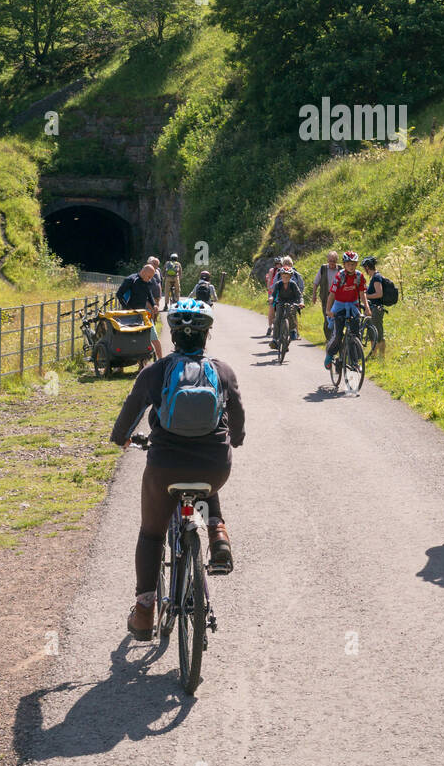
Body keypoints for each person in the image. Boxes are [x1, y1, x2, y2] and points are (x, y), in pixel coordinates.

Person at [110, 297, 245, 639]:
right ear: (206, 335)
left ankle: (144, 613)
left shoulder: (155, 372)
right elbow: (238, 423)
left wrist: (124, 438)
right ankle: (216, 532)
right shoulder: (223, 371)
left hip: (165, 467)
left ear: (173, 334)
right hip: (215, 466)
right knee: (205, 484)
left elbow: (126, 420)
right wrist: (235, 439)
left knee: (152, 534)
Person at [324, 250, 371, 369]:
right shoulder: (340, 276)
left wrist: (367, 308)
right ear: (344, 264)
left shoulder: (359, 276)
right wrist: (328, 310)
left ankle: (354, 362)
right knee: (338, 335)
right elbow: (332, 295)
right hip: (339, 305)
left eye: (354, 264)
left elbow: (362, 294)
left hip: (353, 305)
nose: (351, 266)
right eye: (349, 264)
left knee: (356, 334)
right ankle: (330, 354)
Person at [271, 263, 304, 347]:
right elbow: (273, 294)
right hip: (281, 301)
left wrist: (301, 302)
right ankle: (274, 340)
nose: (285, 278)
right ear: (281, 276)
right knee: (278, 318)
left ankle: (293, 330)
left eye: (287, 277)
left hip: (292, 301)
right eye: (283, 276)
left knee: (291, 312)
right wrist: (271, 298)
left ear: (290, 277)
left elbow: (299, 295)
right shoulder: (278, 284)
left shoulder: (293, 284)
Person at [362, 257, 386, 353]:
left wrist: (366, 296)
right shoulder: (374, 277)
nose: (364, 270)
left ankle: (381, 356)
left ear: (367, 267)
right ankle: (374, 355)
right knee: (372, 333)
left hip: (376, 309)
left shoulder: (376, 277)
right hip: (373, 309)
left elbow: (379, 293)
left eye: (364, 268)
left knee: (378, 334)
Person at [312, 251, 339, 315]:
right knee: (327, 317)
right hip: (325, 297)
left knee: (338, 317)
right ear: (327, 260)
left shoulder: (340, 269)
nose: (332, 263)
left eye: (334, 261)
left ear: (337, 261)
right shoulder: (323, 268)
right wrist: (314, 295)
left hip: (338, 297)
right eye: (330, 261)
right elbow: (316, 282)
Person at [266, 256, 282, 336]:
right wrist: (272, 291)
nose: (278, 265)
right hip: (272, 292)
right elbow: (269, 282)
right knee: (272, 308)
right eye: (277, 264)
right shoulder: (272, 271)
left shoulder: (284, 270)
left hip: (281, 292)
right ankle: (270, 326)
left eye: (280, 264)